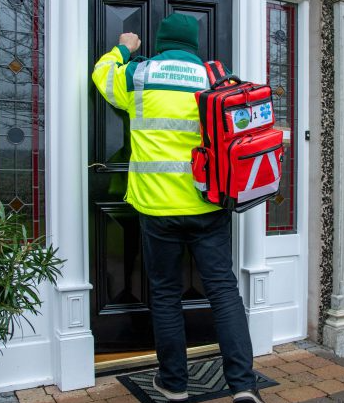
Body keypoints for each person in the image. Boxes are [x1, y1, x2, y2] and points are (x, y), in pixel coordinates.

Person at [91, 13, 264, 403]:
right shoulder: (215, 77)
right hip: (209, 204)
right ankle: (243, 386)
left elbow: (102, 74)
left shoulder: (139, 74)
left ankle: (173, 384)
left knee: (166, 295)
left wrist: (123, 48)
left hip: (156, 208)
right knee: (224, 292)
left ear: (162, 41)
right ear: (195, 44)